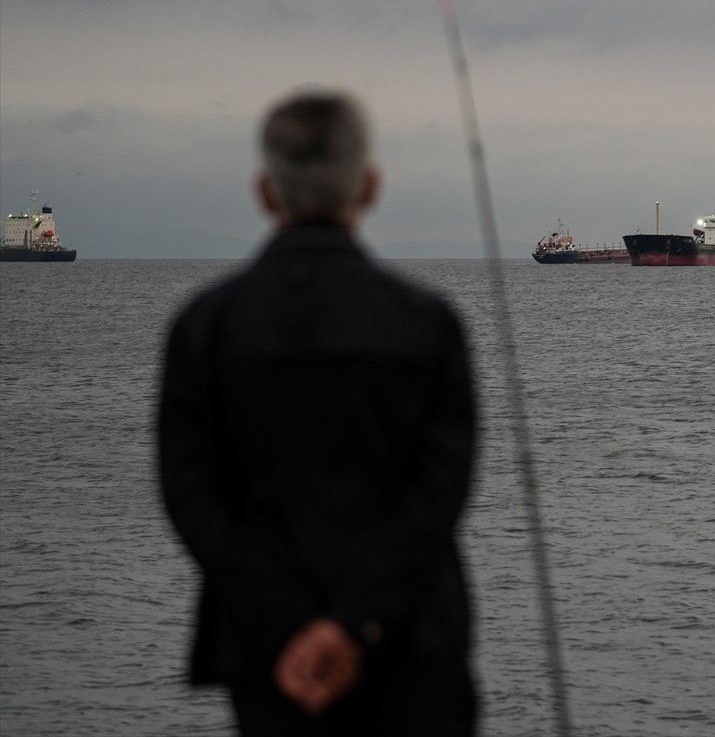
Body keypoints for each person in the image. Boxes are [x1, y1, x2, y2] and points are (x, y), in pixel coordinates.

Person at [157, 90, 476, 735]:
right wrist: (355, 623)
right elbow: (438, 496)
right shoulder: (427, 325)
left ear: (266, 192)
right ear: (370, 186)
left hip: (271, 661)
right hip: (411, 646)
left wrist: (292, 626)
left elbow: (191, 499)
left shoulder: (204, 329)